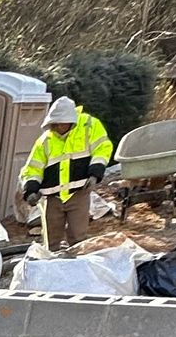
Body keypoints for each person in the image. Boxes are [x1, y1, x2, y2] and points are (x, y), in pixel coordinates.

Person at [18, 96, 114, 250]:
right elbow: (33, 168)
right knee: (51, 239)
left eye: (60, 123)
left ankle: (76, 265)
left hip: (79, 192)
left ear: (70, 121)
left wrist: (95, 173)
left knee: (78, 236)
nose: (57, 127)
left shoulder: (89, 126)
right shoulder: (45, 141)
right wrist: (31, 190)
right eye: (55, 124)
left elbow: (102, 148)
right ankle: (51, 265)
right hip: (53, 197)